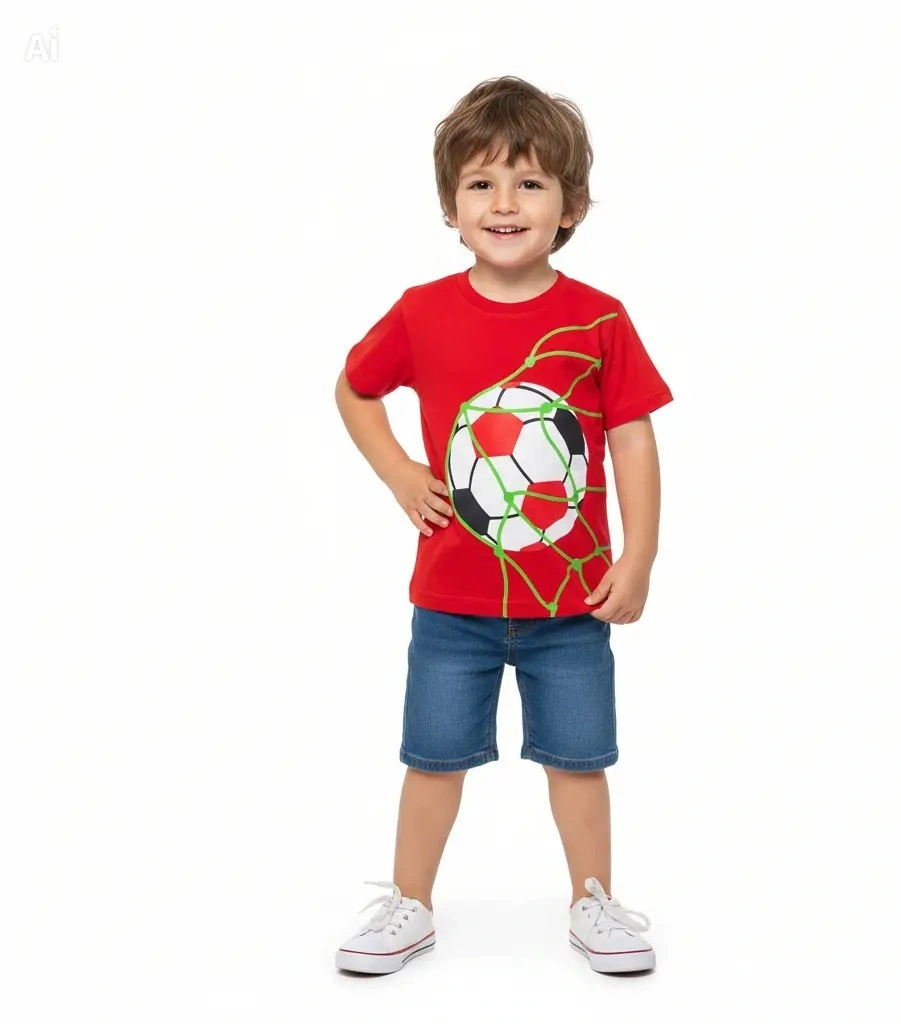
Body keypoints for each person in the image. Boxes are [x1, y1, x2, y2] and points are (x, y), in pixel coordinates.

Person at [333, 75, 673, 975]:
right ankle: (409, 904)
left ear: (572, 206)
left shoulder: (598, 319)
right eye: (481, 183)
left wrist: (639, 554)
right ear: (451, 208)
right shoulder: (422, 311)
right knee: (432, 759)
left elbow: (632, 440)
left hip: (573, 605)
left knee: (580, 759)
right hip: (452, 603)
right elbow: (355, 389)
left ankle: (594, 901)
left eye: (530, 183)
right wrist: (400, 472)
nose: (505, 203)